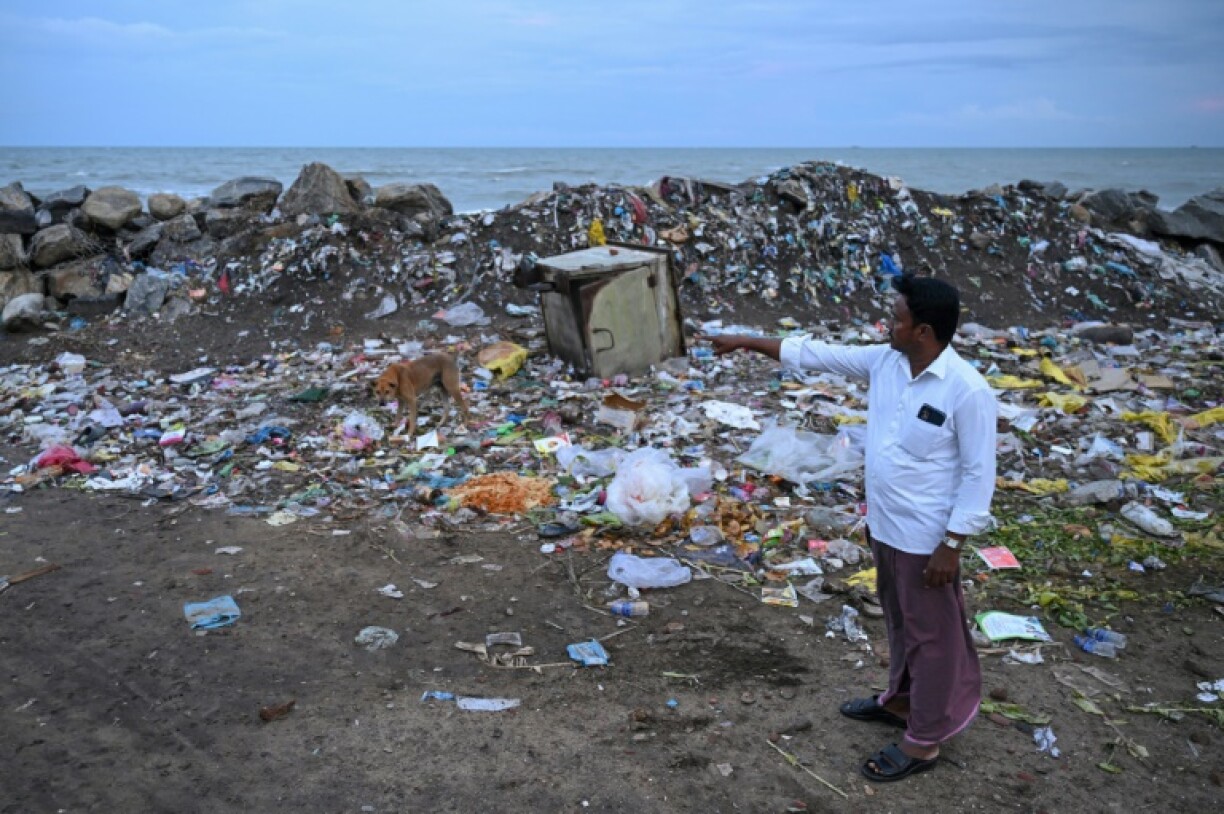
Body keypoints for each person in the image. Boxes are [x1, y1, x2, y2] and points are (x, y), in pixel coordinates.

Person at [698, 274, 996, 783]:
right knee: (900, 623)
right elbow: (815, 354)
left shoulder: (967, 390)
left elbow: (977, 475)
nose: (887, 323)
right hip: (885, 526)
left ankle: (924, 741)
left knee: (934, 637)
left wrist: (952, 544)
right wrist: (746, 339)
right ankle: (902, 702)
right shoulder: (885, 361)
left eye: (897, 317)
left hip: (928, 540)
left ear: (923, 331)